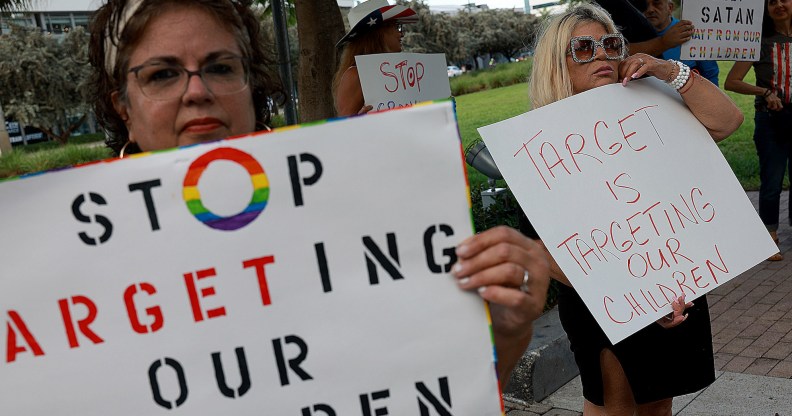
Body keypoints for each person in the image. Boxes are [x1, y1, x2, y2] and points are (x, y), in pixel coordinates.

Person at [88, 0, 549, 386]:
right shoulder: (82, 269)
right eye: (162, 74)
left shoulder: (360, 222)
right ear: (121, 105)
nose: (197, 91)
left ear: (251, 88)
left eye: (221, 67)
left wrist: (506, 332)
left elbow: (439, 386)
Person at [528, 4, 742, 415]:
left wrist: (668, 71)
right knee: (614, 406)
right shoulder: (539, 139)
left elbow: (727, 121)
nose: (603, 56)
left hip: (675, 283)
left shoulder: (653, 101)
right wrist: (638, 299)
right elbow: (542, 249)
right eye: (584, 48)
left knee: (660, 404)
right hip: (605, 300)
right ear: (558, 63)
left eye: (610, 44)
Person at [724, 0, 791, 262]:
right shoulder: (757, 42)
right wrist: (764, 91)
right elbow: (732, 81)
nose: (778, 5)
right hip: (771, 119)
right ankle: (770, 236)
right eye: (772, 2)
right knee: (772, 180)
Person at [332, 0, 417, 117]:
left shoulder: (400, 72)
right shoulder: (355, 75)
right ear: (379, 33)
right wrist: (358, 120)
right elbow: (343, 128)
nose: (401, 34)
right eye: (395, 27)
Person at [643, 0, 720, 85]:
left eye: (657, 3)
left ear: (670, 7)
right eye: (645, 5)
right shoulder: (633, 36)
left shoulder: (689, 31)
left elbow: (710, 73)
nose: (650, 10)